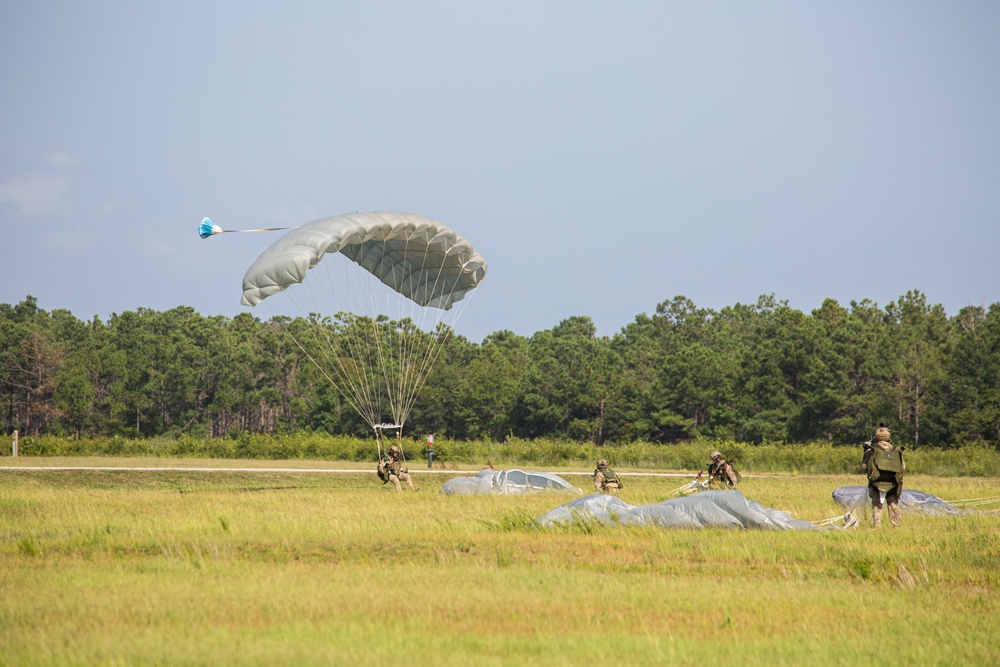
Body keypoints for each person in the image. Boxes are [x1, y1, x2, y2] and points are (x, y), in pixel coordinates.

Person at [861, 424, 903, 527]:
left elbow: (864, 467)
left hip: (876, 483)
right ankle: (897, 525)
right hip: (893, 484)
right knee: (893, 505)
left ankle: (877, 526)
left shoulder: (871, 451)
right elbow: (903, 467)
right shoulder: (896, 451)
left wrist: (864, 452)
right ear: (889, 438)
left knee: (877, 506)